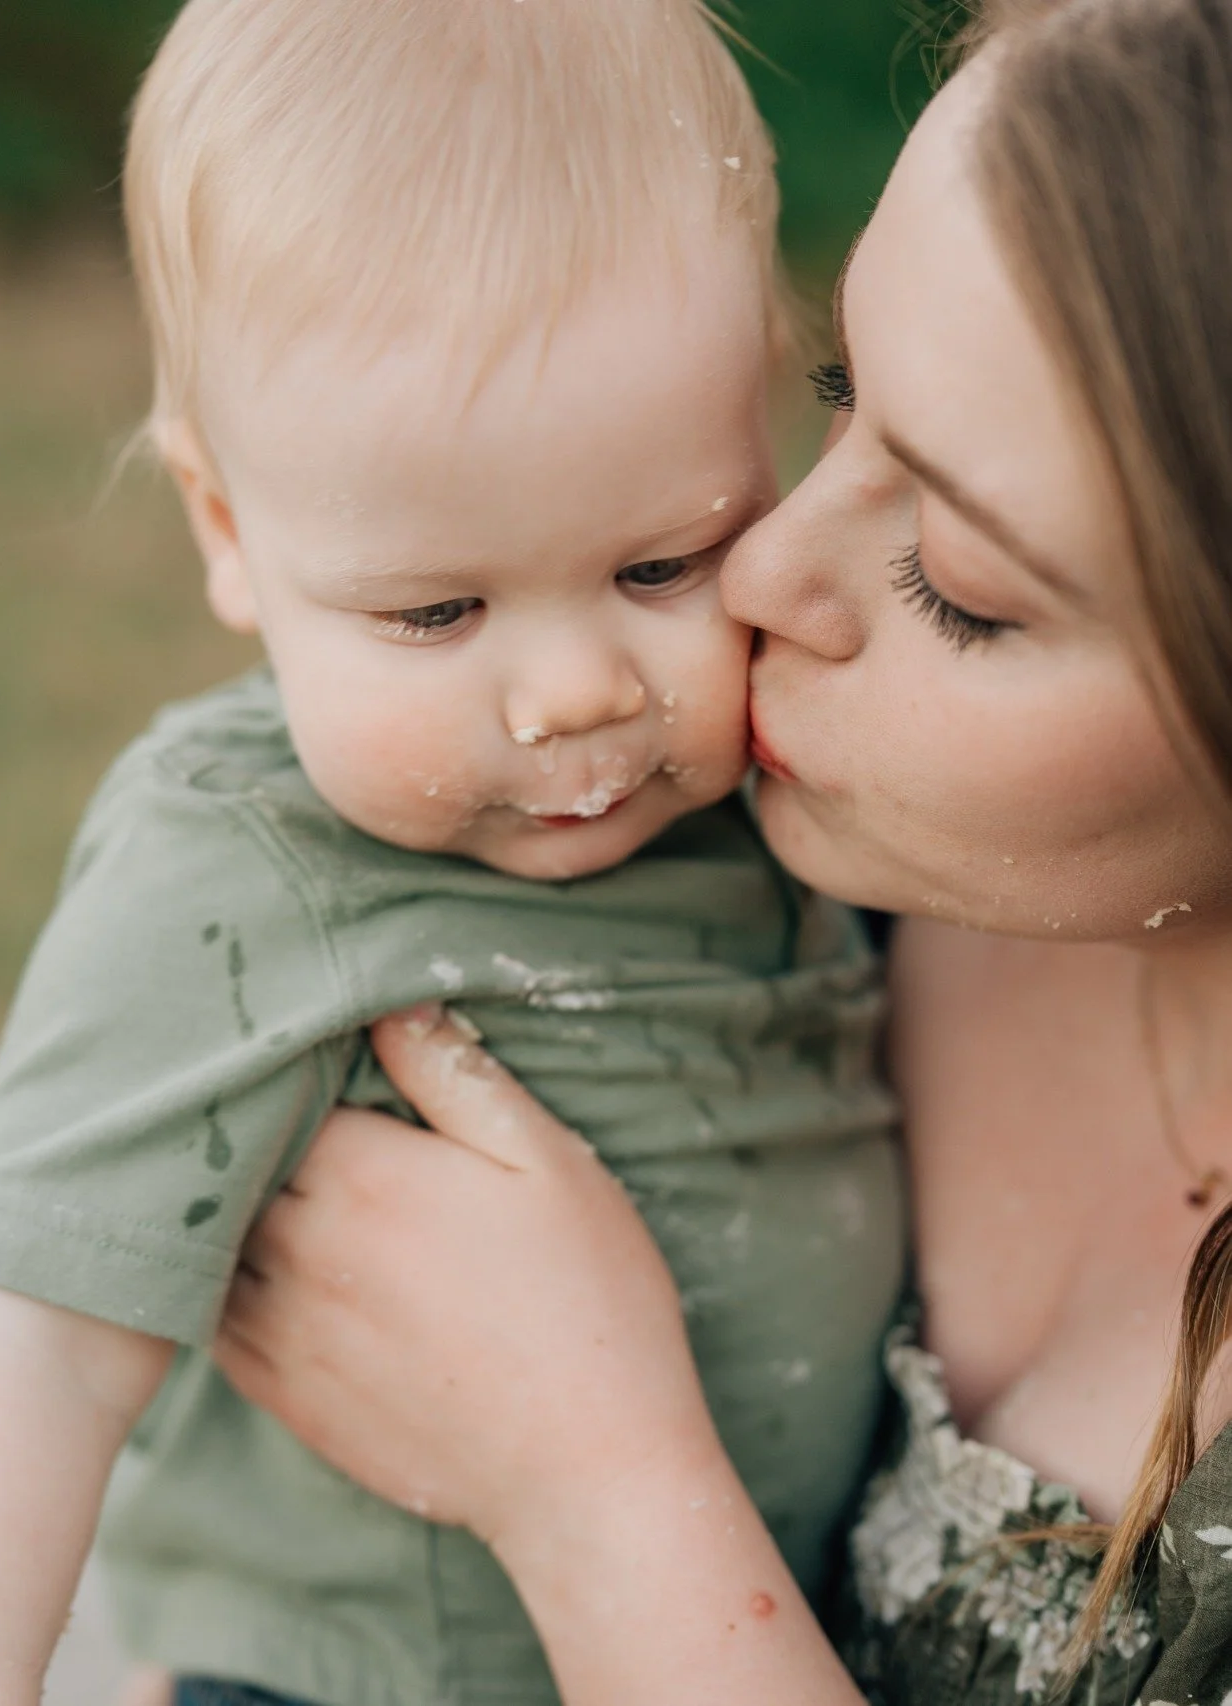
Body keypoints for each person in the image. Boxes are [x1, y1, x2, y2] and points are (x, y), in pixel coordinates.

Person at [0, 3, 911, 1704]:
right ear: (225, 528)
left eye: (665, 562)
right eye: (438, 609)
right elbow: (21, 1355)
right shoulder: (238, 866)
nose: (578, 691)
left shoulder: (779, 776)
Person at [207, 2, 1232, 1704]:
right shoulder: (805, 866)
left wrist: (602, 1499)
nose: (759, 574)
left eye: (957, 586)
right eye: (842, 395)